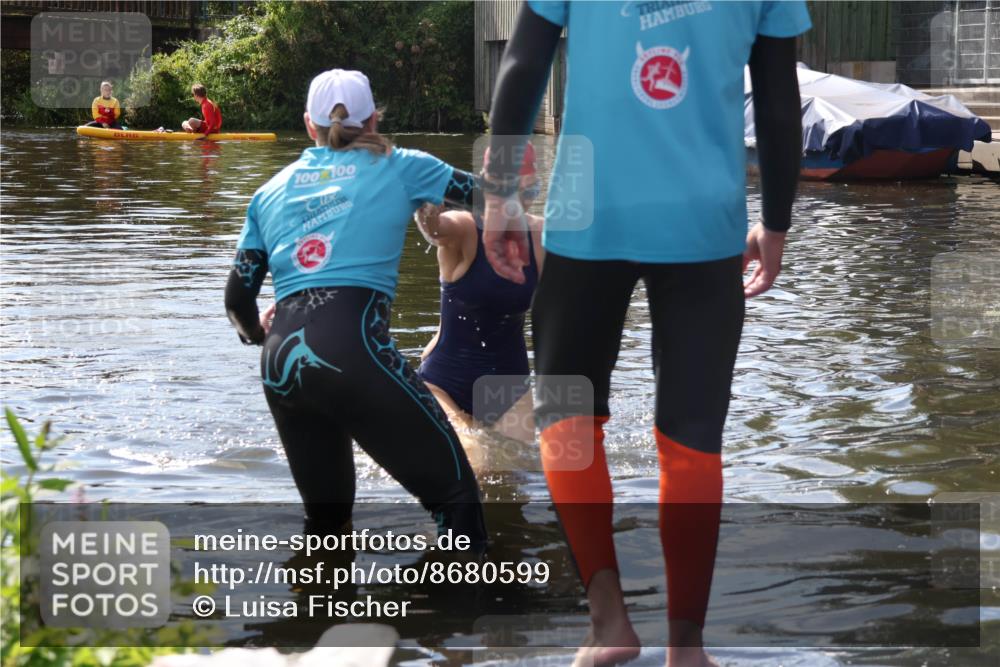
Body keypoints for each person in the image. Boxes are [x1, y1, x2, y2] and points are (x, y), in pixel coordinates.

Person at [482, 2, 810, 666]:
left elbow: (523, 65)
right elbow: (779, 103)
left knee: (566, 420)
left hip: (587, 216)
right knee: (692, 441)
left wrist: (498, 194)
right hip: (705, 225)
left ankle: (608, 623)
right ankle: (686, 647)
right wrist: (777, 221)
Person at [224, 69, 487, 552]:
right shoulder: (403, 166)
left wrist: (259, 334)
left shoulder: (268, 192)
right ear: (373, 121)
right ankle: (458, 598)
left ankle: (319, 598)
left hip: (281, 364)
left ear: (308, 124)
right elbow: (491, 197)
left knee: (327, 525)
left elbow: (237, 301)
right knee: (457, 502)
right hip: (353, 350)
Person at [414, 143, 544, 466]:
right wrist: (427, 207)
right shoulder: (465, 228)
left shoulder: (541, 236)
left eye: (529, 191)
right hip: (445, 381)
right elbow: (434, 230)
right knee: (474, 460)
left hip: (510, 386)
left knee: (515, 475)